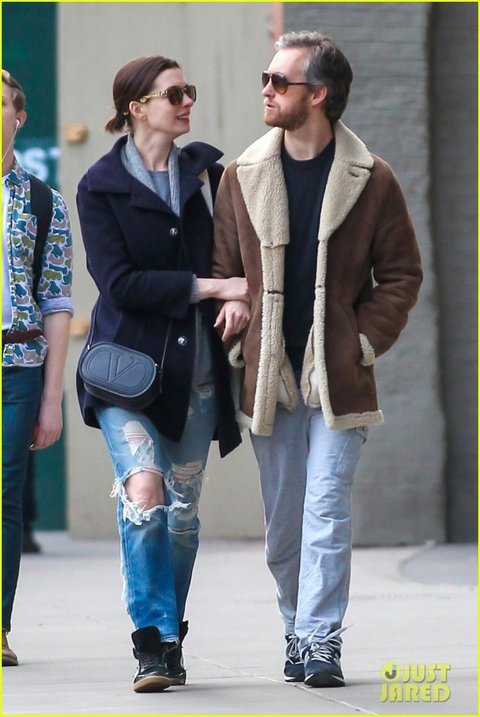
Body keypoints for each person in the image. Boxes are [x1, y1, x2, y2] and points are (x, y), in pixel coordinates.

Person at [212, 31, 423, 688]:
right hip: (270, 378)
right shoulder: (242, 175)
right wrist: (239, 330)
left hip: (338, 379)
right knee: (285, 527)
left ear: (319, 95)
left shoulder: (372, 178)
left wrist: (361, 343)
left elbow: (402, 275)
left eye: (280, 81)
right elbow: (224, 270)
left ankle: (319, 639)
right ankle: (294, 624)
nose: (267, 90)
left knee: (327, 509)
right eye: (266, 78)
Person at [76, 55, 249, 693]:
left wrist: (236, 296)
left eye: (189, 91)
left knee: (181, 516)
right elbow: (119, 283)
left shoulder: (209, 175)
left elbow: (237, 258)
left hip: (195, 370)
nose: (187, 102)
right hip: (125, 373)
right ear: (137, 108)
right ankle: (150, 641)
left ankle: (171, 634)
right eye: (174, 94)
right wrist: (214, 287)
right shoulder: (100, 185)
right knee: (145, 493)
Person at [2, 70, 73, 666]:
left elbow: (56, 301)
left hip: (19, 364)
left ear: (18, 118)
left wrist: (52, 398)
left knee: (5, 495)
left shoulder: (44, 201)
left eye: (1, 104)